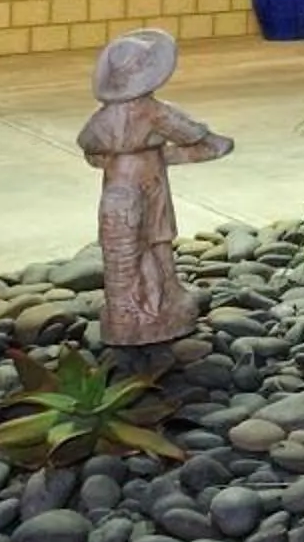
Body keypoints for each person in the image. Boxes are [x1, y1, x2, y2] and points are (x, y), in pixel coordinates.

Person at [76, 28, 233, 347]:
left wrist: (128, 156)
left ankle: (132, 307)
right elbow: (194, 135)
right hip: (148, 182)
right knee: (156, 238)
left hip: (117, 183)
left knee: (124, 247)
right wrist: (181, 151)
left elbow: (91, 149)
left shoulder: (103, 118)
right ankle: (161, 300)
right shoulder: (150, 110)